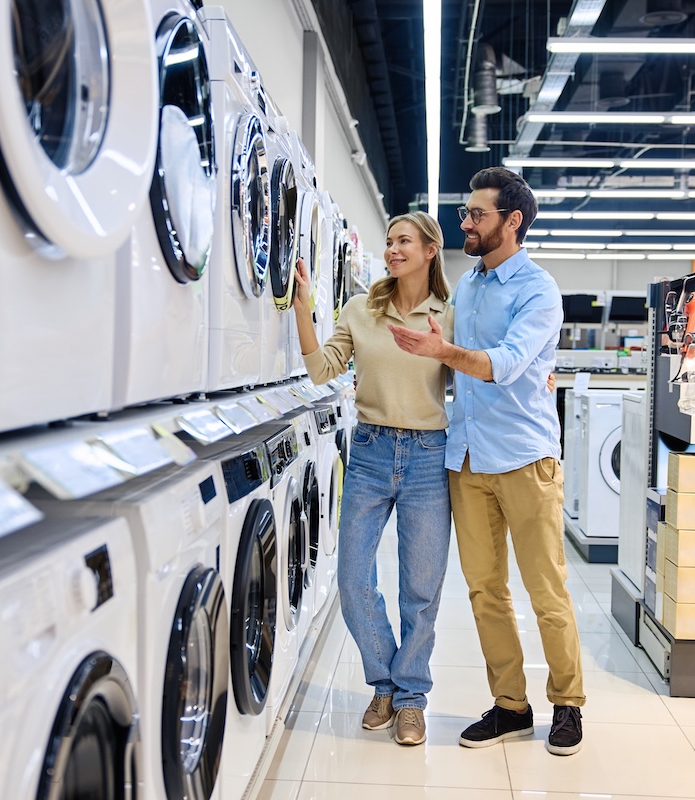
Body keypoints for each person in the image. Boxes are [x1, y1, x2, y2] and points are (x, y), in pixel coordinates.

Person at [388, 167, 586, 756]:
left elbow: (505, 363)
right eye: (466, 213)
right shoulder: (467, 286)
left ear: (512, 221)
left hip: (525, 457)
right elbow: (442, 362)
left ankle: (568, 704)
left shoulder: (538, 290)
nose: (465, 222)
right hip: (466, 458)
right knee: (484, 591)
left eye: (477, 214)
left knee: (546, 590)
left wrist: (443, 351)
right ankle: (510, 706)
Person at [292, 210, 453, 747]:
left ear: (431, 250)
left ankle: (409, 699)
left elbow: (475, 375)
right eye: (388, 242)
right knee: (352, 577)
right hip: (370, 449)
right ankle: (383, 682)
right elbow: (322, 371)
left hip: (430, 456)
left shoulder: (448, 315)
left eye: (404, 241)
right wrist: (303, 309)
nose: (392, 250)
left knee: (421, 590)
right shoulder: (362, 309)